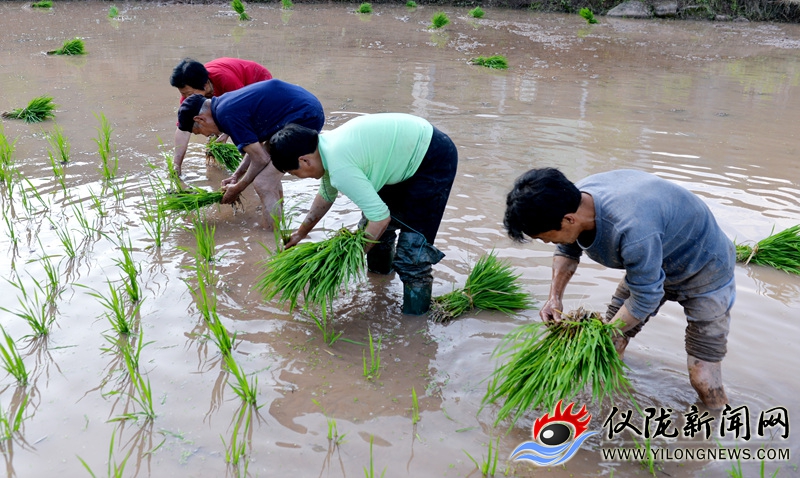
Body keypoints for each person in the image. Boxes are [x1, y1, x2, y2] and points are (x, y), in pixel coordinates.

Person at [503, 168, 735, 410]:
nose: (547, 242)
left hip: (706, 269)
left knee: (702, 376)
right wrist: (554, 298)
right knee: (611, 347)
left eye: (546, 238)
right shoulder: (567, 200)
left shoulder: (632, 229)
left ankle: (720, 421)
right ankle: (614, 404)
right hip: (651, 263)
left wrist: (602, 335)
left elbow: (645, 297)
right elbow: (566, 248)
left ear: (569, 220)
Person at [268, 113, 458, 315]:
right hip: (402, 153)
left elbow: (380, 219)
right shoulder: (325, 150)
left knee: (413, 255)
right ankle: (380, 286)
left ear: (304, 160)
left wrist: (349, 260)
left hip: (432, 156)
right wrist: (300, 233)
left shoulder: (339, 167)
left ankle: (416, 322)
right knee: (375, 236)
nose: (299, 177)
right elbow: (326, 195)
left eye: (294, 173)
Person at [176, 79, 324, 230]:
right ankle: (278, 220)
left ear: (200, 119)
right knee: (269, 175)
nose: (207, 135)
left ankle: (269, 236)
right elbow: (257, 150)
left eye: (198, 131)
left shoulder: (226, 115)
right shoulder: (223, 105)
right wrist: (236, 175)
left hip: (305, 117)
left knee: (263, 183)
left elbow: (261, 159)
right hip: (301, 111)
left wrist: (238, 188)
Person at [169, 57, 272, 175]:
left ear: (205, 85)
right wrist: (176, 165)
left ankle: (258, 169)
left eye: (189, 93)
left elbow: (241, 114)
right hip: (231, 96)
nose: (187, 98)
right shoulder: (190, 98)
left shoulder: (226, 81)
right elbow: (183, 129)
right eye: (183, 94)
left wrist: (225, 133)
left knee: (250, 136)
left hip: (256, 81)